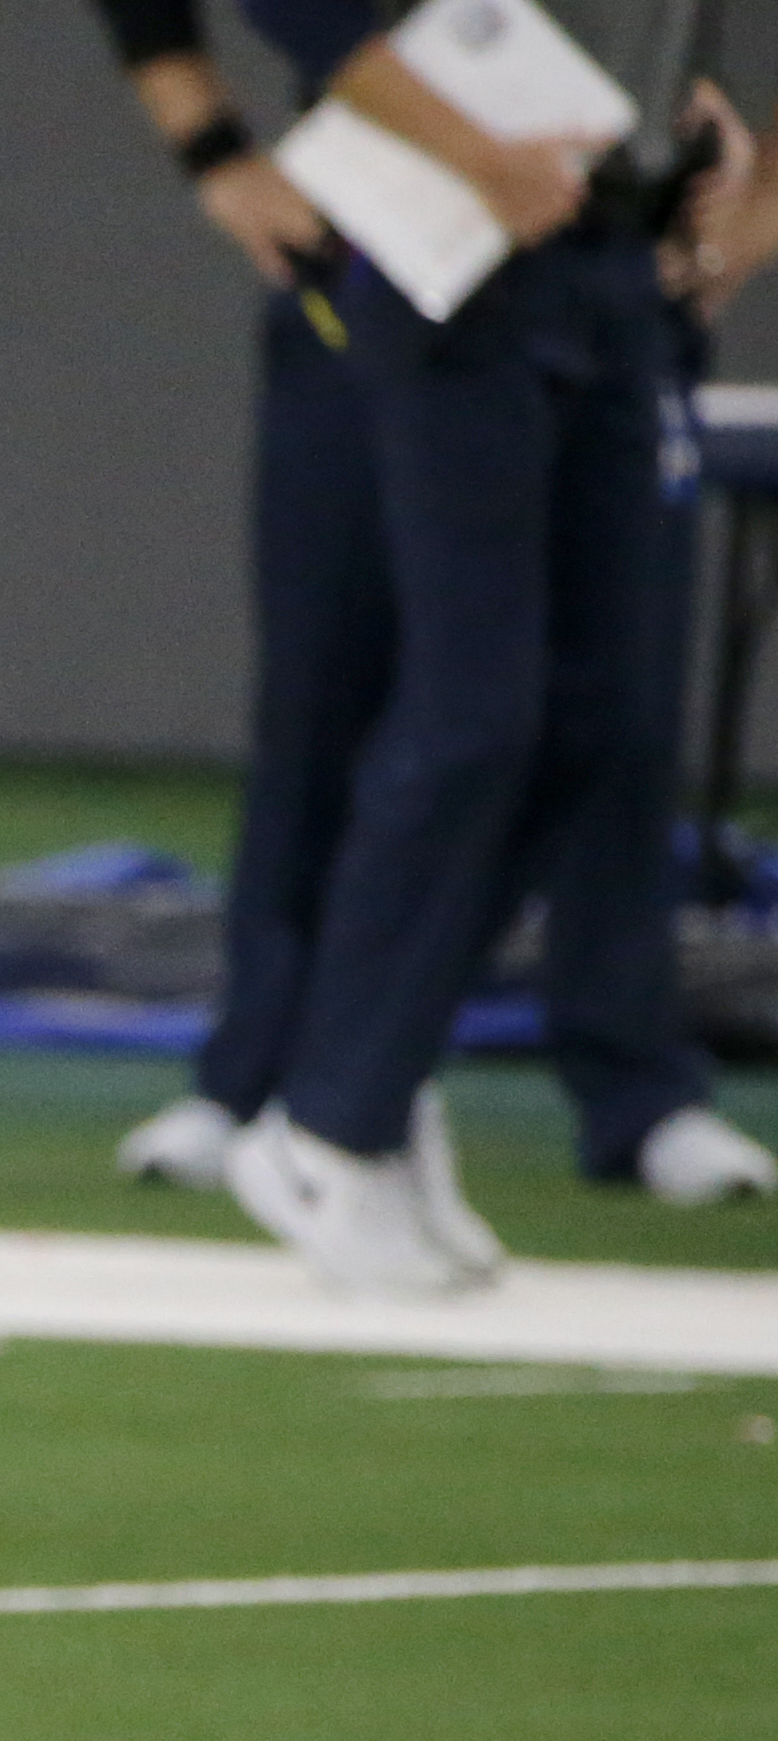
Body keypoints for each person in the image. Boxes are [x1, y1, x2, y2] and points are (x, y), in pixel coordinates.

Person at [126, 0, 778, 1291]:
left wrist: (745, 207)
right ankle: (330, 1118)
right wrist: (477, 155)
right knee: (471, 702)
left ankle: (370, 1076)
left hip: (612, 258)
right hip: (437, 249)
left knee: (599, 722)